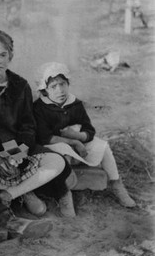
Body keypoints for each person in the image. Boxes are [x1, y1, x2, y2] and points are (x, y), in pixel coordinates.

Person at [0, 30, 76, 234]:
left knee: (57, 162)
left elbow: (28, 125)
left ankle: (12, 193)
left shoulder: (20, 85)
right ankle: (24, 193)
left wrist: (19, 154)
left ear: (11, 56)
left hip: (20, 150)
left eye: (3, 55)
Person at [32, 62, 136, 208]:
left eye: (63, 84)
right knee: (62, 151)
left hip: (75, 141)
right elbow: (45, 137)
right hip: (55, 146)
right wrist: (74, 142)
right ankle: (64, 195)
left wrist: (79, 136)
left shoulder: (74, 103)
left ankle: (116, 183)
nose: (60, 90)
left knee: (102, 145)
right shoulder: (39, 108)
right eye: (53, 87)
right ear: (45, 90)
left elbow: (89, 129)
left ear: (68, 83)